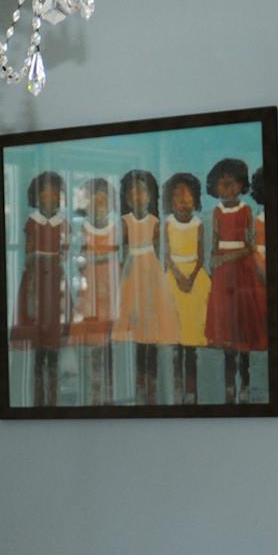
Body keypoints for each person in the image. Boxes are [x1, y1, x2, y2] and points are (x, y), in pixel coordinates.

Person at [203, 157, 269, 404]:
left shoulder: (246, 210)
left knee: (242, 326)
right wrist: (214, 263)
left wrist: (227, 257)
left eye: (232, 184)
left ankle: (246, 384)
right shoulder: (216, 212)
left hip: (242, 269)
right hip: (222, 274)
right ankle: (229, 386)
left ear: (241, 185)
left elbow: (250, 245)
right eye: (222, 184)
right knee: (226, 328)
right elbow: (214, 242)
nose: (227, 189)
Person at [110, 168, 174, 405]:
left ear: (151, 195)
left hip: (151, 277)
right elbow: (122, 251)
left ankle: (153, 388)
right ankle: (138, 386)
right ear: (126, 197)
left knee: (151, 328)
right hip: (130, 276)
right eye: (131, 192)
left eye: (142, 191)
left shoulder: (155, 222)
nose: (137, 196)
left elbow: (159, 253)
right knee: (135, 332)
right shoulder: (124, 222)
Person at [15, 170, 72, 407]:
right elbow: (28, 253)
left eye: (54, 195)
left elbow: (65, 252)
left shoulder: (63, 224)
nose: (50, 199)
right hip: (36, 282)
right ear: (36, 198)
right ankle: (39, 398)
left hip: (55, 282)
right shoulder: (33, 222)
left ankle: (54, 397)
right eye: (45, 195)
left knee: (54, 341)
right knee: (38, 343)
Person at [69, 176, 119, 406]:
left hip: (110, 289)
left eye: (103, 201)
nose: (99, 206)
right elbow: (78, 259)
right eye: (95, 201)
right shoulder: (83, 229)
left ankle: (109, 392)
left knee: (110, 340)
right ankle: (93, 392)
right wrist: (92, 260)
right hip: (90, 290)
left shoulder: (115, 228)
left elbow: (119, 259)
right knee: (92, 341)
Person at [161, 170, 209, 403]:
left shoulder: (199, 224)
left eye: (188, 196)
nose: (183, 201)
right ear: (170, 201)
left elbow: (201, 256)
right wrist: (179, 277)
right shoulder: (167, 224)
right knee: (175, 341)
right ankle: (177, 388)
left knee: (192, 340)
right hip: (174, 279)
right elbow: (167, 256)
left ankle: (192, 391)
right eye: (178, 196)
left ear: (195, 199)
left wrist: (191, 277)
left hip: (195, 281)